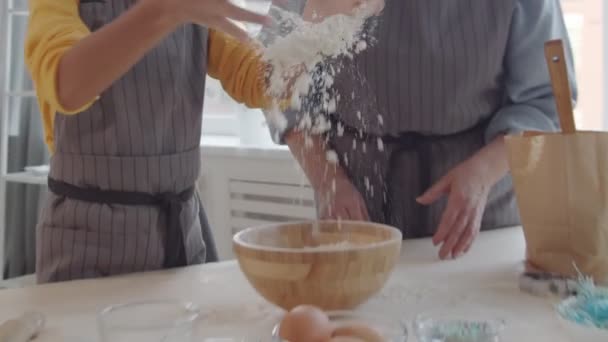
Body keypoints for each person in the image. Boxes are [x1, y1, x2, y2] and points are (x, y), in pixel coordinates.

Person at [25, 0, 371, 283]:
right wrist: (164, 10)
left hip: (178, 232)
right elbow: (66, 86)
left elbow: (259, 78)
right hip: (88, 238)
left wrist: (324, 31)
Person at [275, 0, 577, 260]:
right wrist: (329, 179)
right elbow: (277, 85)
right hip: (354, 200)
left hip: (478, 207)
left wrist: (482, 174)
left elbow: (544, 101)